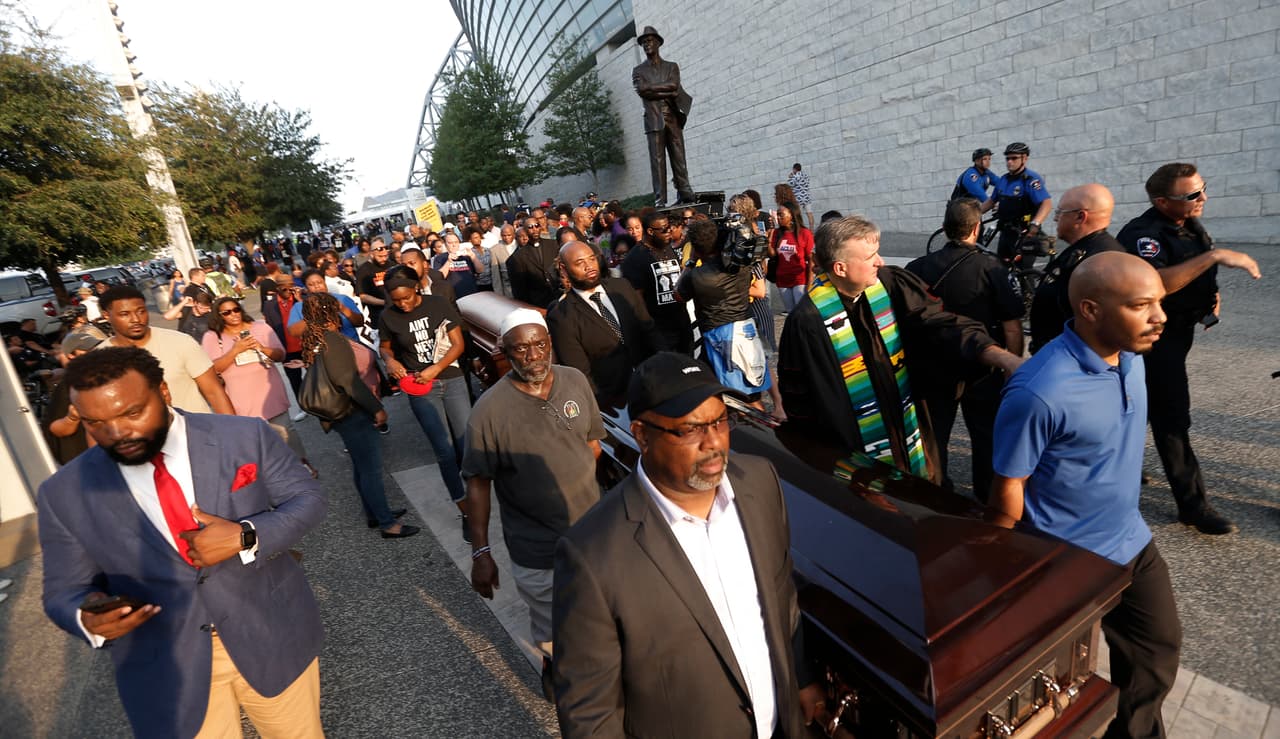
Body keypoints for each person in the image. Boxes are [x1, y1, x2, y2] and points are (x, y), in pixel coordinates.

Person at [38, 346, 327, 738]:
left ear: (164, 391)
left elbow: (308, 500)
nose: (118, 433)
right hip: (166, 664)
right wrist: (86, 618)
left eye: (132, 412)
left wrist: (247, 535)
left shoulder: (244, 436)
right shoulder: (64, 491)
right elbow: (62, 591)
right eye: (96, 423)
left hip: (268, 632)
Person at [553, 351, 823, 737]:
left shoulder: (760, 482)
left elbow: (781, 594)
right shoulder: (591, 556)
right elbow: (589, 713)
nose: (713, 442)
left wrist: (801, 676)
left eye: (720, 421)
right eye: (690, 429)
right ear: (642, 435)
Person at [991, 252, 1181, 739]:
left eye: (1158, 303)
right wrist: (1002, 572)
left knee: (1156, 655)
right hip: (1064, 560)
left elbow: (1155, 290)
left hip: (1132, 542)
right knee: (1053, 695)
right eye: (1142, 306)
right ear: (1092, 310)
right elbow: (1009, 486)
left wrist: (1216, 256)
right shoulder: (1040, 391)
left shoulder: (1131, 355)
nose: (1160, 317)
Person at [777, 216, 1022, 485]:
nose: (880, 261)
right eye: (870, 256)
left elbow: (940, 324)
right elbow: (802, 406)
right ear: (840, 268)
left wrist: (998, 355)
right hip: (856, 452)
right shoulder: (807, 322)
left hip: (909, 428)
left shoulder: (890, 284)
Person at [463, 308, 604, 698]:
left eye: (540, 344)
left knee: (599, 616)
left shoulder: (575, 380)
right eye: (521, 349)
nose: (533, 355)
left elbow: (592, 446)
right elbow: (478, 485)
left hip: (592, 535)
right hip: (538, 549)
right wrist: (481, 552)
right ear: (503, 352)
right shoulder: (487, 413)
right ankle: (555, 672)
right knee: (555, 627)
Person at [1117, 162, 1262, 535]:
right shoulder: (1143, 234)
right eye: (1193, 195)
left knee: (1138, 407)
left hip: (1180, 333)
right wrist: (1214, 258)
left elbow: (1193, 274)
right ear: (1164, 201)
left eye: (1203, 189)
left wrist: (1209, 301)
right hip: (1151, 340)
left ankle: (1123, 468)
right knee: (1171, 418)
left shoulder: (1189, 224)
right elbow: (1155, 282)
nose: (1203, 198)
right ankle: (1192, 506)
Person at [905, 198, 1025, 497]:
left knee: (934, 437)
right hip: (983, 366)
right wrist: (1012, 366)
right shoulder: (992, 267)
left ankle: (937, 494)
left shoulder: (917, 267)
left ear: (945, 229)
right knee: (986, 436)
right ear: (977, 228)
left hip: (933, 367)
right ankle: (986, 496)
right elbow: (1011, 325)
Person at [300, 294, 416, 537]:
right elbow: (348, 381)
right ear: (330, 313)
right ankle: (387, 524)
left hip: (342, 414)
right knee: (371, 469)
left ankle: (375, 512)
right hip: (354, 412)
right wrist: (376, 408)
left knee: (361, 466)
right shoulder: (332, 339)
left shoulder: (316, 339)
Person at [377, 276, 471, 535]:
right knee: (445, 451)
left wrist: (436, 369)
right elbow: (385, 347)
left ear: (416, 288)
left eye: (407, 297)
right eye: (396, 300)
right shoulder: (387, 316)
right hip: (420, 387)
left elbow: (458, 344)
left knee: (466, 444)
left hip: (451, 379)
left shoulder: (437, 303)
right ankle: (465, 512)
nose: (403, 304)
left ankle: (479, 496)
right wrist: (389, 360)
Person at [201, 297, 313, 476]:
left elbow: (280, 355)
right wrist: (235, 350)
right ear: (219, 315)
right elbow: (212, 368)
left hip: (269, 392)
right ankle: (271, 476)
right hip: (240, 398)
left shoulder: (260, 327)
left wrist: (262, 348)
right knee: (254, 441)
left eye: (236, 309)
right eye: (227, 312)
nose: (233, 315)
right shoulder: (213, 336)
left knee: (286, 433)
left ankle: (301, 465)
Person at [546, 241, 657, 408]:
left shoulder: (622, 287)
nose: (589, 266)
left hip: (653, 383)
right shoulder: (561, 317)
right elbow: (580, 373)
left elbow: (649, 330)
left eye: (591, 259)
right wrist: (603, 409)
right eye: (580, 262)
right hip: (615, 404)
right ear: (563, 269)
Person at [677, 218, 774, 403]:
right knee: (751, 393)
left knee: (735, 396)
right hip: (745, 328)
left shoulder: (697, 276)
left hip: (719, 337)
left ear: (696, 248)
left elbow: (679, 295)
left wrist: (690, 263)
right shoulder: (740, 266)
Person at [99, 285, 235, 415]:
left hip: (198, 432)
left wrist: (238, 434)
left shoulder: (180, 341)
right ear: (106, 315)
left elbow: (214, 391)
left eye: (141, 311)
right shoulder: (99, 359)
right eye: (124, 314)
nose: (135, 319)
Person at [1029, 183, 1126, 354]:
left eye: (1060, 212)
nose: (1055, 218)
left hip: (1075, 362)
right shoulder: (1083, 249)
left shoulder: (1102, 261)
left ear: (1080, 217)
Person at [632, 26, 693, 206]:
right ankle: (660, 199)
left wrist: (653, 88)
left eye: (650, 41)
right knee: (657, 162)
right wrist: (664, 88)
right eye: (644, 42)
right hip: (653, 120)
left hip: (672, 117)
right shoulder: (638, 70)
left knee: (679, 156)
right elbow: (642, 91)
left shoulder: (671, 66)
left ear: (658, 42)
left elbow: (674, 86)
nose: (647, 44)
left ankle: (685, 192)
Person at [621, 211, 693, 354]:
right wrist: (652, 335)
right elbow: (637, 301)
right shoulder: (635, 259)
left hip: (682, 324)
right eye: (664, 230)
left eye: (670, 228)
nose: (669, 233)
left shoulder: (667, 247)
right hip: (660, 332)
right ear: (650, 231)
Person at [979, 142, 1053, 265]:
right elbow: (991, 201)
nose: (1009, 162)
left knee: (1023, 272)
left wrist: (1035, 224)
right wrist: (972, 215)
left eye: (1014, 158)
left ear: (1024, 158)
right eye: (1007, 159)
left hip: (1024, 233)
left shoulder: (1030, 180)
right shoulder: (1003, 179)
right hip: (1006, 231)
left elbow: (1046, 203)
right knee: (1001, 267)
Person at [41, 328, 106, 465]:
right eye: (86, 350)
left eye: (95, 348)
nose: (93, 353)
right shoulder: (69, 386)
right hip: (86, 462)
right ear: (71, 355)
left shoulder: (107, 376)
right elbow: (54, 429)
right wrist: (72, 418)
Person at [288, 269, 366, 342]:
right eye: (311, 284)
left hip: (351, 345)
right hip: (323, 351)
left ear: (325, 282)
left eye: (319, 282)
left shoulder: (343, 299)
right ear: (306, 288)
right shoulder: (299, 306)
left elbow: (360, 322)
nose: (317, 286)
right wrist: (312, 315)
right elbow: (293, 332)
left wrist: (342, 308)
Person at [770, 200, 815, 312]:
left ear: (792, 215)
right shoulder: (777, 233)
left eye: (781, 215)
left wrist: (809, 284)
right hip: (782, 279)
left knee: (802, 312)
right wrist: (768, 239)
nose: (778, 217)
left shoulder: (805, 233)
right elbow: (772, 254)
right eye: (777, 214)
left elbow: (811, 260)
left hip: (800, 279)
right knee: (790, 313)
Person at [507, 216, 560, 308]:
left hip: (559, 297)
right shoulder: (517, 257)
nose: (535, 229)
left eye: (536, 225)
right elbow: (519, 290)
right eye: (530, 227)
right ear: (525, 230)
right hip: (538, 303)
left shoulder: (554, 245)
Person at [433, 230, 483, 298]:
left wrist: (473, 256)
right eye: (450, 243)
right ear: (445, 244)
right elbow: (439, 277)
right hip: (454, 296)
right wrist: (448, 261)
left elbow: (480, 270)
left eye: (456, 242)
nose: (454, 245)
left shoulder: (465, 256)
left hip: (472, 294)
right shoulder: (440, 258)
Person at [355, 237, 393, 326]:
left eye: (385, 256)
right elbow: (362, 296)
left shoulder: (392, 265)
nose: (383, 259)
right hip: (378, 314)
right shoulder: (363, 270)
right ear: (372, 254)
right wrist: (384, 302)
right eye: (380, 256)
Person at [489, 224, 517, 297]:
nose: (506, 238)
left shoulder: (520, 244)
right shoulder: (495, 250)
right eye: (504, 235)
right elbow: (496, 275)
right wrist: (499, 295)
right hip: (508, 291)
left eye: (509, 235)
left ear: (514, 234)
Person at [788, 162, 815, 228]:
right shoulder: (806, 175)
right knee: (809, 214)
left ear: (794, 169)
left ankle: (800, 229)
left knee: (797, 214)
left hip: (798, 198)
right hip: (806, 197)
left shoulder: (794, 176)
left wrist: (790, 177)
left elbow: (789, 185)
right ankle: (811, 230)